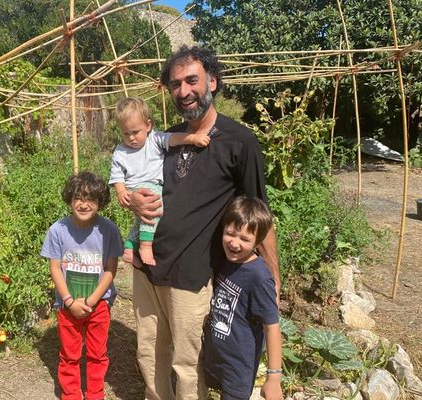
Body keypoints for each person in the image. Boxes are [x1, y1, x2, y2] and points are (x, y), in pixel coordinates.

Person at [129, 45, 280, 400]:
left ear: (212, 81)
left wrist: (273, 278)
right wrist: (133, 198)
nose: (184, 91)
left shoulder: (240, 142)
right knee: (149, 354)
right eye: (176, 84)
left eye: (192, 80)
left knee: (186, 364)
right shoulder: (165, 139)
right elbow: (140, 183)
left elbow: (260, 215)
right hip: (147, 267)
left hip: (190, 274)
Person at [41, 171, 123, 400]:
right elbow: (55, 268)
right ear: (69, 199)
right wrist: (68, 301)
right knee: (70, 354)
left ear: (100, 202)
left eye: (91, 199)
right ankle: (71, 394)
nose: (84, 204)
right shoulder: (58, 230)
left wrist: (91, 301)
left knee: (97, 353)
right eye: (78, 198)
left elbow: (110, 269)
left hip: (98, 305)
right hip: (68, 306)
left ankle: (95, 393)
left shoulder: (109, 231)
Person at [109, 96, 210, 265]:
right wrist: (121, 191)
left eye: (135, 132)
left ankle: (129, 247)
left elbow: (173, 138)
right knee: (154, 210)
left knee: (141, 220)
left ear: (148, 126)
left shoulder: (154, 139)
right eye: (126, 133)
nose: (131, 138)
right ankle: (146, 246)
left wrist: (192, 138)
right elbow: (117, 174)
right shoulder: (120, 151)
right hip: (139, 189)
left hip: (148, 187)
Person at [203, 196, 282, 400]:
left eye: (245, 239)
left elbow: (272, 326)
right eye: (230, 233)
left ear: (258, 241)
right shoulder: (224, 259)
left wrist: (274, 377)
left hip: (238, 367)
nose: (234, 243)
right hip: (214, 356)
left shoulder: (259, 277)